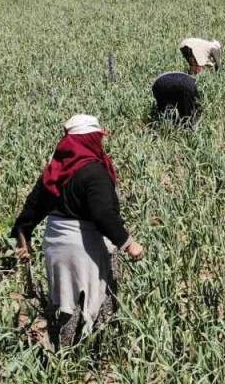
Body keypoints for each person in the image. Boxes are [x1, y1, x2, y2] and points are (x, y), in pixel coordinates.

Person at [11, 115, 144, 347]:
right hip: (83, 245)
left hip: (55, 243)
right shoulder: (94, 172)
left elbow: (33, 206)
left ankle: (61, 351)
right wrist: (128, 243)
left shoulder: (55, 170)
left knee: (64, 300)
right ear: (92, 140)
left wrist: (24, 235)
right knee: (95, 299)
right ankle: (90, 353)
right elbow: (103, 214)